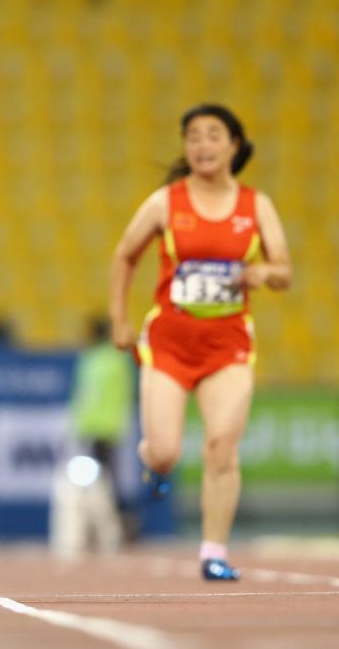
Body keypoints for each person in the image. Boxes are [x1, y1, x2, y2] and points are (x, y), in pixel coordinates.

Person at [109, 104, 291, 581]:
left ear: (234, 145)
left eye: (213, 135)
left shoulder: (257, 206)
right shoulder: (167, 202)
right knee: (166, 450)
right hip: (169, 343)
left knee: (221, 446)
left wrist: (262, 273)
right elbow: (125, 256)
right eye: (193, 137)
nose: (202, 145)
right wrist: (119, 320)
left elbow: (284, 271)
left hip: (227, 345)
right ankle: (154, 461)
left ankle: (213, 551)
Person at [68, 315, 136, 538]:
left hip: (103, 427)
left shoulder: (106, 359)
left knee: (104, 479)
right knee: (100, 479)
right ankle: (100, 525)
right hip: (98, 427)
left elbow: (89, 395)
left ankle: (111, 525)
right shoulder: (102, 359)